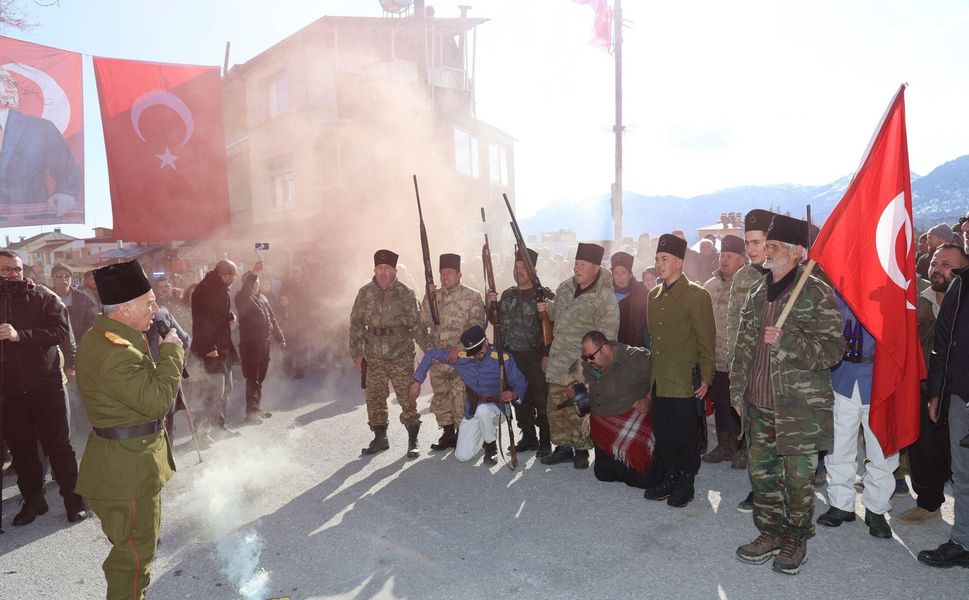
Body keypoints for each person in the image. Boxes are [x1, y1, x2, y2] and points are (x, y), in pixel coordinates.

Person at [731, 214, 844, 576]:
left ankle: (796, 538)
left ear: (797, 252)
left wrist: (789, 342)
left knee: (797, 481)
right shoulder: (757, 291)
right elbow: (742, 348)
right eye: (767, 244)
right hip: (758, 403)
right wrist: (737, 391)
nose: (767, 250)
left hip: (798, 409)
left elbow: (833, 350)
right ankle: (771, 532)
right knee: (763, 476)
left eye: (775, 245)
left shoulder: (816, 292)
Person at [75, 259, 184, 600]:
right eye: (148, 303)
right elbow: (157, 402)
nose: (156, 309)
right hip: (128, 472)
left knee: (132, 551)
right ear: (123, 309)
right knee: (134, 560)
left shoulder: (109, 336)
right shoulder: (114, 351)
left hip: (122, 464)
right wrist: (172, 353)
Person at [0, 249, 87, 526]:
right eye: (6, 270)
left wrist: (20, 335)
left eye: (17, 269)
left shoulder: (44, 296)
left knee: (59, 447)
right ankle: (34, 501)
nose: (13, 274)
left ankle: (74, 502)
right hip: (9, 392)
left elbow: (61, 332)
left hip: (47, 386)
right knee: (22, 451)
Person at [642, 234, 716, 508]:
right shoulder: (653, 296)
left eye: (665, 259)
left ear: (680, 263)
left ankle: (686, 481)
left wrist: (706, 377)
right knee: (664, 433)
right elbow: (654, 340)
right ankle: (670, 476)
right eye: (657, 259)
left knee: (685, 435)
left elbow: (706, 341)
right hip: (661, 379)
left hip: (685, 380)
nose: (659, 264)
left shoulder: (697, 295)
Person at [816, 299, 897, 538]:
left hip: (880, 381)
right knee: (838, 446)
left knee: (881, 449)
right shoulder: (837, 293)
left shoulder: (889, 292)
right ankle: (841, 504)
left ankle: (877, 509)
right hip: (842, 376)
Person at [901, 243, 969, 523]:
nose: (937, 269)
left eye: (946, 264)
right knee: (924, 448)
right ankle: (928, 503)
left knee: (959, 455)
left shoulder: (964, 302)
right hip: (924, 387)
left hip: (960, 391)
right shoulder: (915, 302)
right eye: (934, 263)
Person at [538, 242, 619, 469]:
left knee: (579, 406)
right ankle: (563, 447)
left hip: (582, 363)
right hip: (558, 359)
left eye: (583, 264)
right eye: (576, 263)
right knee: (556, 406)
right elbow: (556, 314)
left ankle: (582, 450)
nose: (577, 268)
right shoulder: (565, 287)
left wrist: (589, 365)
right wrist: (546, 308)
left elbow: (607, 337)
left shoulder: (605, 297)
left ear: (596, 268)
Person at [918, 225, 969, 568]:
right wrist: (936, 392)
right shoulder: (959, 287)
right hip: (959, 396)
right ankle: (963, 542)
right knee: (963, 473)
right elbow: (942, 346)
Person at [410, 325, 527, 464]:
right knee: (462, 456)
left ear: (486, 341)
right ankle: (485, 432)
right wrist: (417, 381)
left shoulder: (502, 359)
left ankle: (491, 446)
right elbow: (431, 354)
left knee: (483, 410)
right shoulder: (461, 358)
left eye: (480, 351)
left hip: (497, 409)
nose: (478, 355)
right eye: (474, 353)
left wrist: (514, 394)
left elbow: (521, 382)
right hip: (473, 410)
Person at [350, 250, 425, 457]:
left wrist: (429, 350)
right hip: (374, 356)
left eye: (387, 268)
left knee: (407, 399)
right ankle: (380, 437)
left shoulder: (406, 293)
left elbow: (416, 326)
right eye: (380, 268)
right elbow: (356, 323)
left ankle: (413, 440)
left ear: (395, 271)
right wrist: (356, 353)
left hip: (401, 355)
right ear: (374, 270)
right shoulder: (365, 293)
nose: (383, 272)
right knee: (374, 398)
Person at [726, 209, 775, 513]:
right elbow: (734, 323)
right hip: (751, 365)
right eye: (747, 243)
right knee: (755, 431)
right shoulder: (743, 277)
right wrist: (734, 364)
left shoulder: (787, 275)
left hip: (780, 367)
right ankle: (759, 489)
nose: (751, 249)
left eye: (757, 242)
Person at [419, 253, 487, 451]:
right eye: (442, 273)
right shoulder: (434, 297)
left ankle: (463, 434)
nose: (444, 277)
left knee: (461, 398)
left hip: (462, 359)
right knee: (441, 396)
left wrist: (460, 347)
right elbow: (423, 322)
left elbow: (477, 326)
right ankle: (448, 434)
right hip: (439, 359)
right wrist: (428, 298)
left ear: (459, 274)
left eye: (449, 272)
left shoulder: (472, 296)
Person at [487, 247, 551, 456]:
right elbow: (495, 321)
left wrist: (547, 355)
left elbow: (553, 327)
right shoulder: (508, 294)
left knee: (541, 399)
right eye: (516, 267)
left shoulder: (544, 295)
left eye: (524, 267)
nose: (519, 271)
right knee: (519, 397)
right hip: (512, 356)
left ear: (533, 271)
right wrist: (490, 304)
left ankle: (545, 439)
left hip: (535, 356)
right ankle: (529, 436)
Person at [0, 68, 82, 225]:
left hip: (32, 222)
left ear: (9, 91)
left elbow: (67, 172)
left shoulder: (41, 128)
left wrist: (66, 193)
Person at [581, 330, 654, 488]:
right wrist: (575, 390)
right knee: (603, 475)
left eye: (591, 357)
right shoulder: (589, 362)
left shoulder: (637, 358)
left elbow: (661, 377)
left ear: (605, 349)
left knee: (642, 481)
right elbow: (580, 379)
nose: (588, 361)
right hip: (603, 426)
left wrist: (648, 399)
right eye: (585, 357)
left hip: (630, 420)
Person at [702, 234, 747, 467]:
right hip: (715, 358)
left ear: (742, 259)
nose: (724, 260)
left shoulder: (749, 284)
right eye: (722, 255)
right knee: (720, 404)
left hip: (738, 359)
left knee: (739, 405)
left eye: (730, 256)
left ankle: (741, 448)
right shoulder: (710, 285)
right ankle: (724, 445)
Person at [190, 259, 240, 440]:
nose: (234, 280)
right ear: (225, 275)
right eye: (233, 276)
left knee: (226, 389)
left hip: (223, 347)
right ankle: (201, 433)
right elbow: (201, 320)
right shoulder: (205, 289)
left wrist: (229, 316)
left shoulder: (219, 287)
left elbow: (216, 313)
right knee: (211, 392)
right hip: (210, 350)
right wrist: (209, 347)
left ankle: (219, 426)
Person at [235, 262, 286, 424]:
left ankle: (256, 407)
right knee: (252, 378)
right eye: (252, 281)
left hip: (264, 344)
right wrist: (254, 272)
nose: (255, 284)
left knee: (260, 378)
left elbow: (272, 319)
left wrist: (280, 338)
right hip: (250, 345)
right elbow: (247, 288)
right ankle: (250, 414)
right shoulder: (241, 298)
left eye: (257, 281)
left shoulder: (263, 298)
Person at [611, 251, 650, 349]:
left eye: (624, 273)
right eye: (616, 273)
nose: (620, 277)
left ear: (630, 274)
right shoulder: (606, 293)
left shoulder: (642, 293)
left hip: (635, 346)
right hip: (610, 346)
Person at [50, 263, 96, 341]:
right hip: (56, 342)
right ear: (52, 279)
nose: (63, 278)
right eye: (59, 275)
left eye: (67, 276)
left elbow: (91, 321)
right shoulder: (47, 298)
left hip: (80, 341)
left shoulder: (82, 297)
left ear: (71, 278)